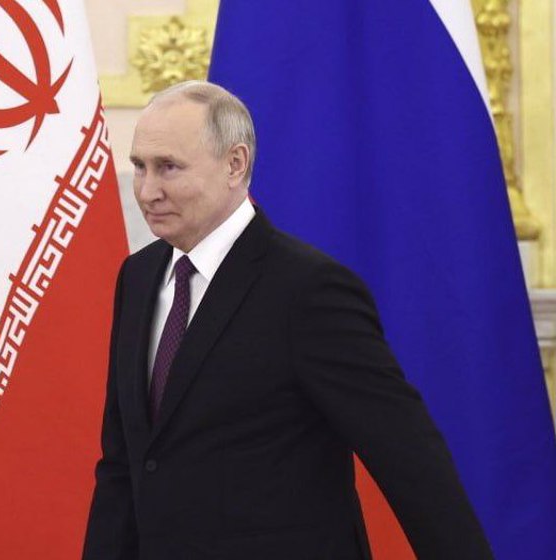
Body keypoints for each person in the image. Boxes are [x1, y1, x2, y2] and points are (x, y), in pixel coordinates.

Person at [81, 81, 493, 559]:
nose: (147, 191)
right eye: (140, 167)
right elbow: (125, 463)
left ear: (235, 164)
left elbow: (408, 458)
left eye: (168, 167)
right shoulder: (139, 276)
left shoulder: (309, 290)